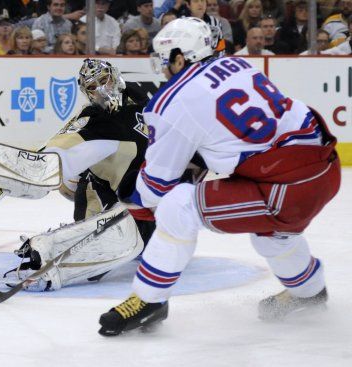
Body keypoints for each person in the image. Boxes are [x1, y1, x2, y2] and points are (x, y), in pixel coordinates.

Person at [98, 17, 340, 336]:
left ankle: (148, 301)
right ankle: (310, 293)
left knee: (178, 206)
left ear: (180, 57)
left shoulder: (172, 101)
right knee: (273, 235)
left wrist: (133, 196)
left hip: (284, 188)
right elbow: (238, 136)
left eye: (164, 59)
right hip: (323, 166)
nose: (163, 67)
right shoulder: (239, 67)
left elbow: (156, 187)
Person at [1, 58, 159, 292]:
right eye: (93, 87)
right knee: (99, 259)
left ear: (114, 77)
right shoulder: (94, 116)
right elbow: (63, 142)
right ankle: (43, 249)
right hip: (100, 191)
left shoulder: (145, 102)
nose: (101, 90)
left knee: (147, 247)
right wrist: (32, 165)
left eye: (103, 81)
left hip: (140, 197)